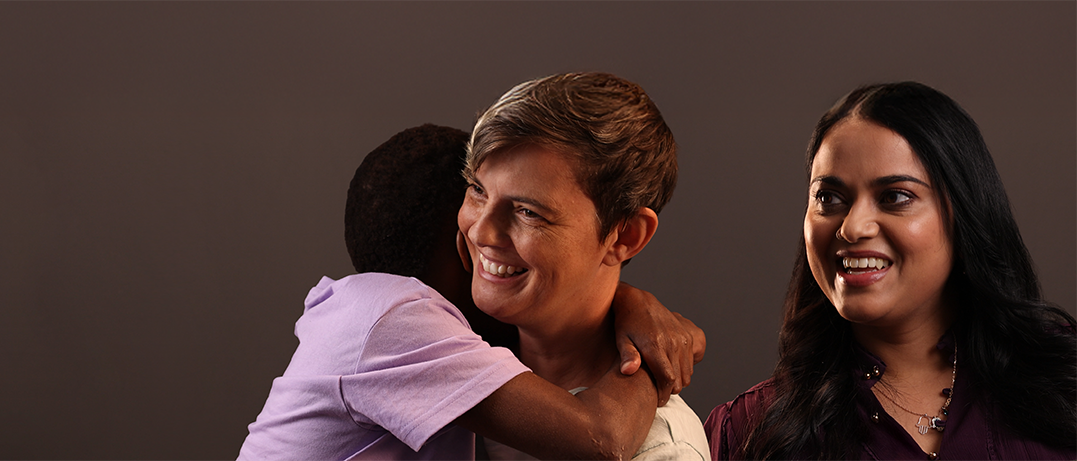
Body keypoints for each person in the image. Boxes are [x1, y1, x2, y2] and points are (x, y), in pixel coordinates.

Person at [237, 124, 705, 460]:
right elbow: (601, 439)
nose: (490, 238)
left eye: (526, 212)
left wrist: (631, 301)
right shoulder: (395, 320)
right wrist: (653, 354)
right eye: (479, 196)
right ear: (463, 247)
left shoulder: (366, 311)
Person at [704, 82, 1077, 460]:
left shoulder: (1065, 383)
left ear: (963, 214)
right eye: (829, 197)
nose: (852, 228)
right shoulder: (749, 432)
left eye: (894, 197)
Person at [458, 72, 710, 461]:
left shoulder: (660, 450)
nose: (481, 232)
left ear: (626, 236)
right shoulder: (449, 353)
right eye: (478, 190)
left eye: (528, 212)